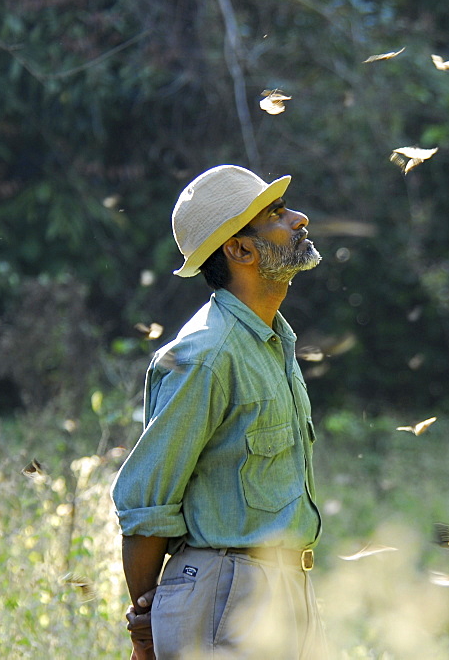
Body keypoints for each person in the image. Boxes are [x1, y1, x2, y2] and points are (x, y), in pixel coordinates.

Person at [111, 164, 327, 659]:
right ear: (240, 249)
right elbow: (145, 505)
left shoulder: (273, 342)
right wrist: (146, 628)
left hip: (287, 587)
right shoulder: (207, 354)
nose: (299, 218)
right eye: (276, 214)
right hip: (227, 594)